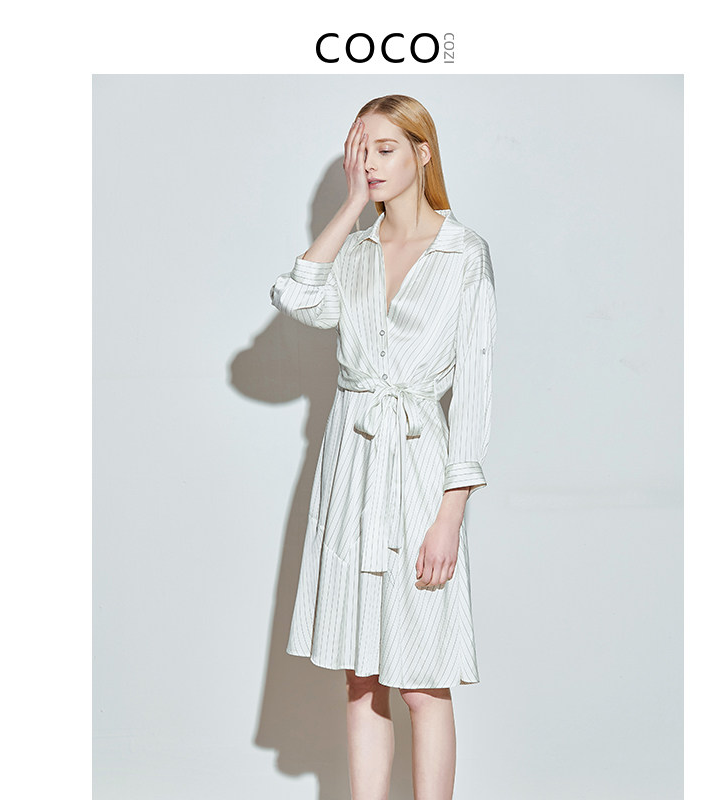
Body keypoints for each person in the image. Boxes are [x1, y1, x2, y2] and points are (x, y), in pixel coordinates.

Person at [270, 94, 497, 800]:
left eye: (386, 148)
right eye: (360, 149)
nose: (369, 162)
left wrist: (450, 516)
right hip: (351, 473)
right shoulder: (357, 253)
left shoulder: (464, 254)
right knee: (361, 674)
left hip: (421, 476)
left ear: (422, 153)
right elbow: (294, 297)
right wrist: (349, 209)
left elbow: (476, 393)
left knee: (424, 680)